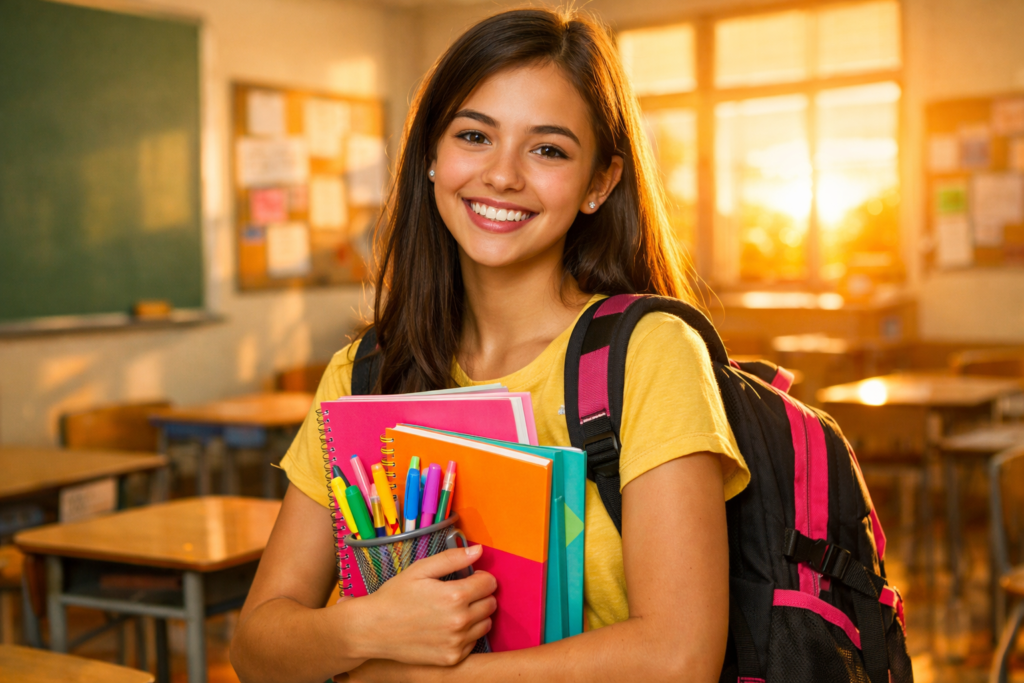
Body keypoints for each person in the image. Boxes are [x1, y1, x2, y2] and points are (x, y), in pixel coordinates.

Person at [230, 8, 749, 683]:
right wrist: (368, 627)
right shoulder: (365, 372)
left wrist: (416, 673)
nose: (502, 175)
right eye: (474, 135)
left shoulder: (650, 352)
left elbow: (678, 659)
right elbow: (256, 647)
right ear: (430, 158)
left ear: (599, 182)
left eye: (548, 149)